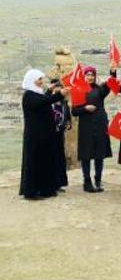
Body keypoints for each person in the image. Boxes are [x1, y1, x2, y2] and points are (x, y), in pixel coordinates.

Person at [20, 70, 69, 199]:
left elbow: (43, 99)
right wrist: (59, 94)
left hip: (44, 136)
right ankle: (31, 192)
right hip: (35, 136)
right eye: (39, 79)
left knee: (45, 161)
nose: (41, 82)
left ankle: (45, 189)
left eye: (42, 79)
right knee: (35, 163)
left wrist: (49, 91)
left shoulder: (37, 94)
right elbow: (42, 102)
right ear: (32, 80)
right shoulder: (29, 95)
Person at [71, 66, 112, 193]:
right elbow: (74, 111)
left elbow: (111, 84)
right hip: (86, 126)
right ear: (83, 76)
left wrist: (113, 70)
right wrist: (85, 108)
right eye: (87, 75)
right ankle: (87, 182)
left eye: (92, 75)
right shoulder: (78, 90)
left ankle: (98, 180)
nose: (90, 77)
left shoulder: (99, 89)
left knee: (99, 154)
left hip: (100, 124)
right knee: (86, 154)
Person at [48, 78, 71, 192]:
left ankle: (58, 183)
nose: (57, 88)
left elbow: (67, 116)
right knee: (50, 158)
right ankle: (50, 183)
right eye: (55, 86)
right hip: (49, 135)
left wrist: (68, 123)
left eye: (59, 86)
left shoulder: (64, 103)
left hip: (60, 134)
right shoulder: (47, 101)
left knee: (59, 158)